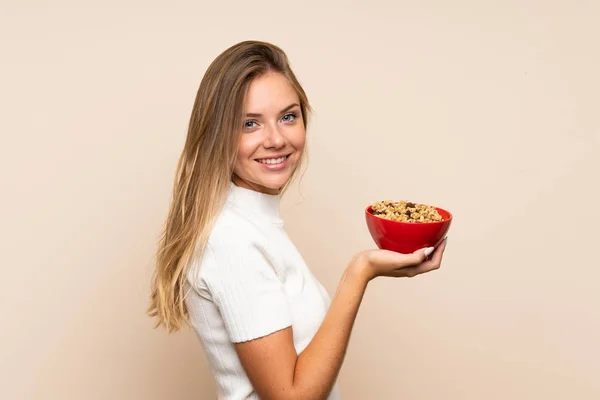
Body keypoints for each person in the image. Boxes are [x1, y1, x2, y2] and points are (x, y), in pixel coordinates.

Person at [148, 40, 447, 400]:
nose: (276, 139)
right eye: (249, 124)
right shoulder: (231, 240)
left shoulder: (254, 225)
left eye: (288, 116)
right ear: (217, 135)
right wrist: (361, 271)